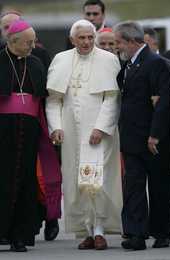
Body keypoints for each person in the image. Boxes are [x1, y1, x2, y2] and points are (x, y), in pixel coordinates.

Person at [46, 19, 122, 250]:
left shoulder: (108, 60)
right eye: (82, 38)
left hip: (99, 133)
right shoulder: (61, 60)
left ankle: (100, 230)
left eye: (90, 37)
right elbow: (54, 100)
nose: (87, 42)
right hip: (70, 133)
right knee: (76, 182)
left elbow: (112, 97)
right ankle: (87, 231)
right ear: (72, 39)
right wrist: (56, 127)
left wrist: (101, 127)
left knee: (97, 181)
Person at [0, 19, 61, 252]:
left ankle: (19, 235)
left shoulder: (36, 63)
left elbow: (44, 101)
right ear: (13, 41)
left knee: (26, 181)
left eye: (33, 41)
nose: (32, 46)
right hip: (3, 131)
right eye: (28, 42)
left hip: (29, 132)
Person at [114, 21, 170, 250]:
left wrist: (155, 135)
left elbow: (163, 102)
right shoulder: (128, 64)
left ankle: (161, 232)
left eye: (119, 42)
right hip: (131, 137)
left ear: (132, 41)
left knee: (159, 187)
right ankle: (137, 234)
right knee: (134, 186)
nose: (117, 46)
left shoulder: (155, 63)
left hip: (152, 138)